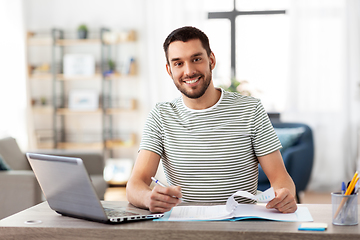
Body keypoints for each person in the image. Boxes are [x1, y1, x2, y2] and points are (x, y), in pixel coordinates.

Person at [126, 26, 297, 214]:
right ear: (169, 70)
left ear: (211, 60)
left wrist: (284, 195)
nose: (189, 71)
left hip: (239, 225)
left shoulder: (250, 110)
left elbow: (281, 178)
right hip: (183, 226)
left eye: (196, 59)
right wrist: (147, 197)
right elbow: (136, 184)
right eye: (178, 63)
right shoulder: (161, 116)